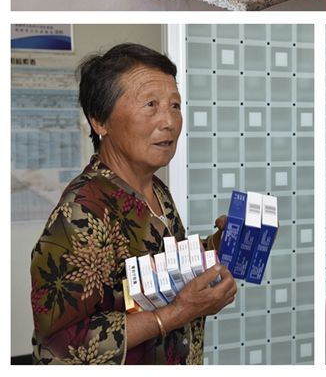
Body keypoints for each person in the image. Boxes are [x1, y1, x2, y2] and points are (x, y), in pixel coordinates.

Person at [30, 43, 237, 364]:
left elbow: (164, 275)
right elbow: (60, 342)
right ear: (100, 121)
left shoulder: (157, 190)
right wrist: (177, 313)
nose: (169, 121)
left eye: (175, 105)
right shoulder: (81, 211)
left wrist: (220, 245)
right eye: (151, 104)